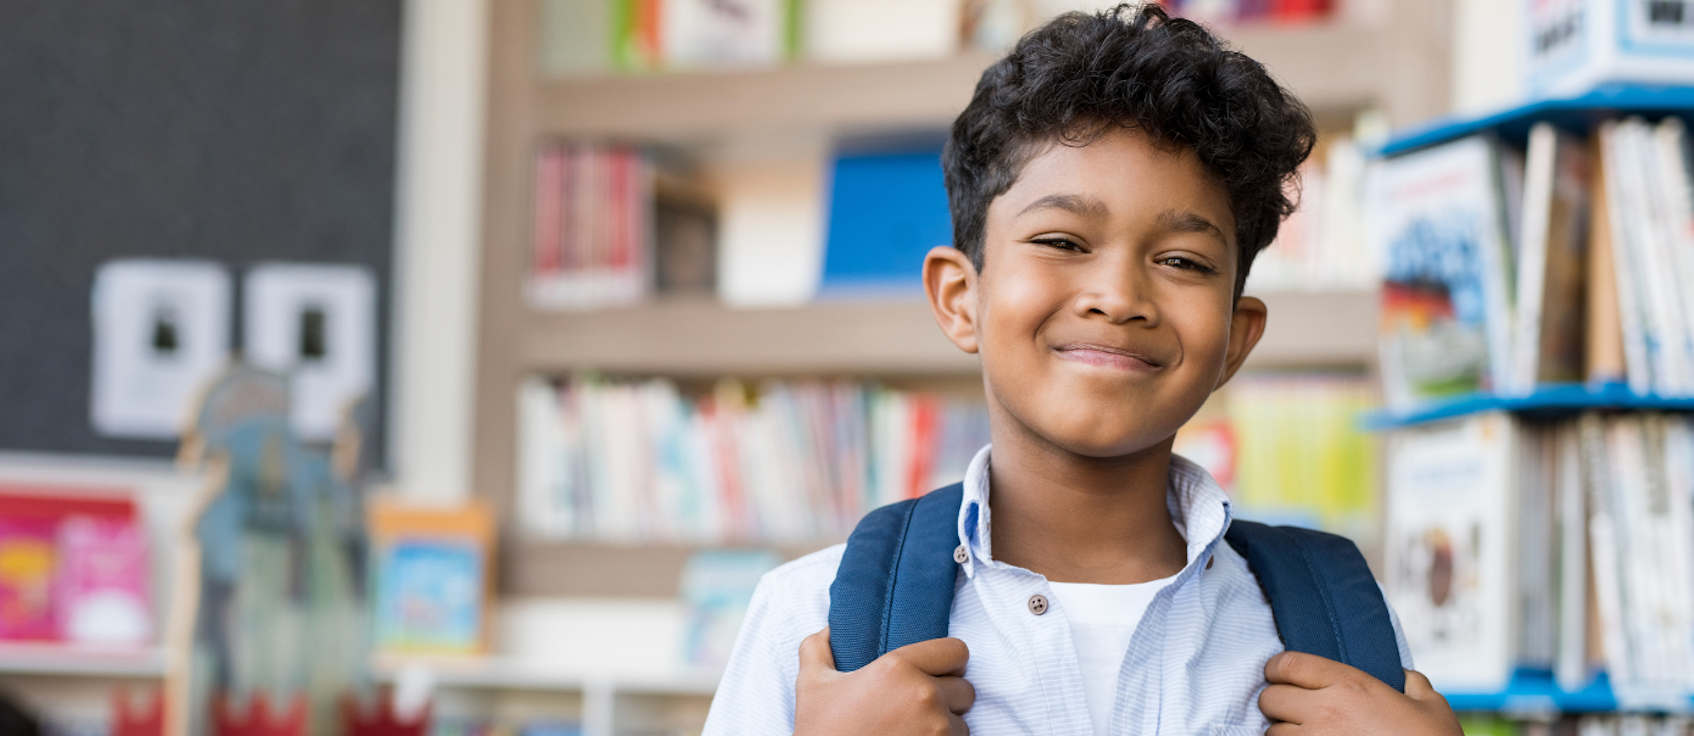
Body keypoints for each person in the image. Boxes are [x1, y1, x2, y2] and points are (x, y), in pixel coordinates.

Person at [701, 5, 1464, 735]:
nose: (1119, 297)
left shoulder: (1336, 629)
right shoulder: (813, 626)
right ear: (960, 299)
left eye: (1182, 260)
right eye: (1063, 242)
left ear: (1235, 337)